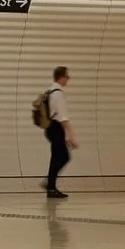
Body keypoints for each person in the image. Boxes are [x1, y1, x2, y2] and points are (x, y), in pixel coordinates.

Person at [44, 65, 76, 198]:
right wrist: (69, 135)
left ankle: (50, 185)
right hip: (56, 127)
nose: (68, 80)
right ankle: (49, 184)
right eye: (67, 77)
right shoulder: (58, 93)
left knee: (57, 157)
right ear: (61, 77)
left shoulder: (50, 91)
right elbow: (63, 117)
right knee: (64, 157)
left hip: (49, 127)